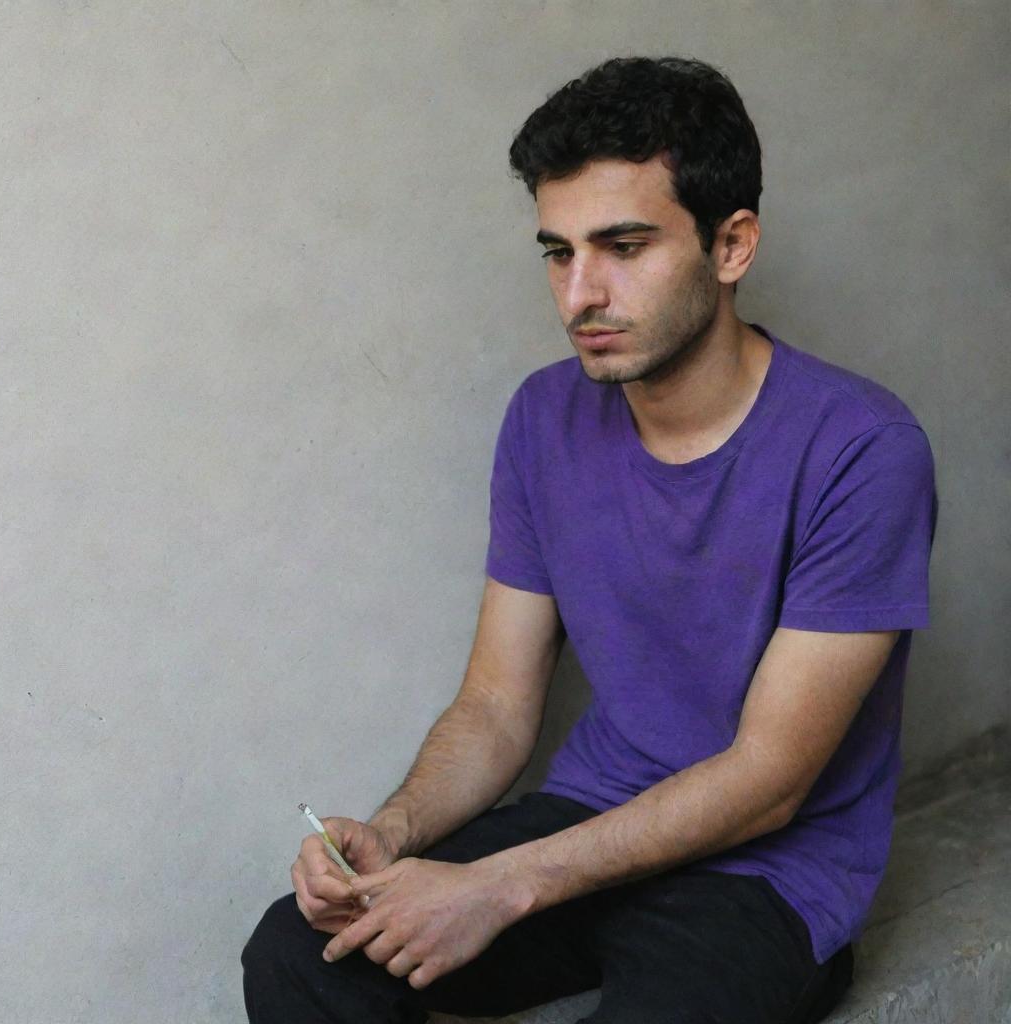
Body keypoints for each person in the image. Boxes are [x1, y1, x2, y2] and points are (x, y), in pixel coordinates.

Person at [242, 55, 938, 1024]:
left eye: (621, 245)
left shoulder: (863, 448)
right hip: (587, 814)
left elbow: (769, 780)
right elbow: (493, 704)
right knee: (296, 949)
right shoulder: (541, 418)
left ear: (731, 244)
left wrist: (500, 884)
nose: (579, 295)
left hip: (762, 872)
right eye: (558, 252)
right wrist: (394, 834)